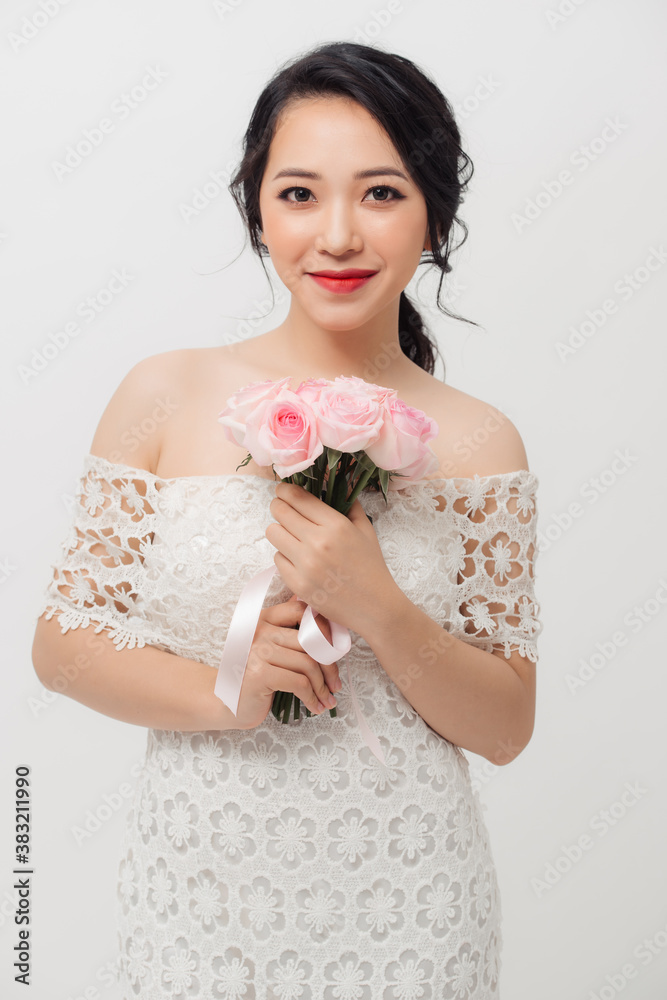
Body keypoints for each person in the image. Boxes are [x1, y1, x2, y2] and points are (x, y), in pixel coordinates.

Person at [32, 40, 543, 999]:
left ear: (434, 211)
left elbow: (507, 726)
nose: (338, 235)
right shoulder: (167, 392)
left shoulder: (479, 441)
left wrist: (377, 605)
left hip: (410, 910)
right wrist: (224, 689)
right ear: (257, 209)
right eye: (300, 193)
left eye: (382, 193)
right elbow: (62, 647)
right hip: (200, 903)